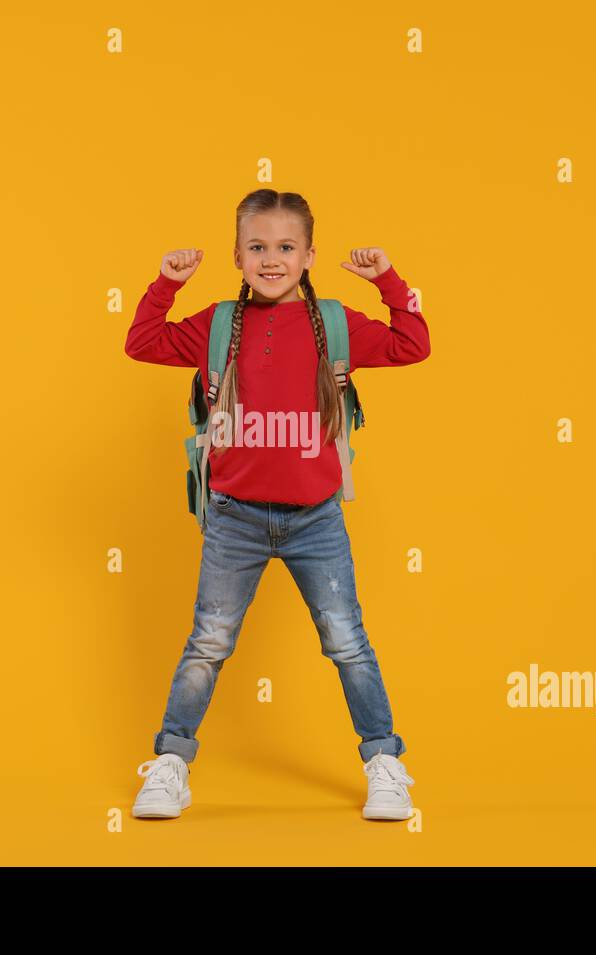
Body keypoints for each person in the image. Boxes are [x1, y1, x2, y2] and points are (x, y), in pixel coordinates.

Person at [122, 188, 430, 820]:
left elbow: (413, 343)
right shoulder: (217, 326)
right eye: (257, 247)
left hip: (316, 519)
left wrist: (388, 281)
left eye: (286, 247)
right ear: (237, 255)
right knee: (208, 643)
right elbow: (141, 341)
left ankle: (385, 763)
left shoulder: (336, 326)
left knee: (347, 642)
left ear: (309, 255)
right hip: (234, 517)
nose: (272, 259)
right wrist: (166, 283)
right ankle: (171, 763)